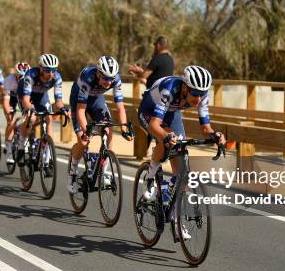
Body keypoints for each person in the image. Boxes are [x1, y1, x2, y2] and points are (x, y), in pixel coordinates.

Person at [137, 65, 225, 240]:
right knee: (166, 140)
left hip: (172, 113)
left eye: (202, 94)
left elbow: (205, 127)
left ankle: (177, 222)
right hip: (149, 112)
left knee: (182, 174)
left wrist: (216, 135)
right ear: (184, 87)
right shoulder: (170, 89)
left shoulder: (201, 96)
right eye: (195, 93)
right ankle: (151, 175)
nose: (198, 99)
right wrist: (166, 136)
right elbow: (155, 125)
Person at [66, 56, 133, 193]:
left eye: (111, 79)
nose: (109, 82)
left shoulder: (116, 79)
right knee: (84, 141)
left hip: (96, 100)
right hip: (78, 102)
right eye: (105, 79)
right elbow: (80, 110)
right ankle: (72, 173)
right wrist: (86, 131)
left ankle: (104, 171)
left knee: (108, 130)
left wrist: (124, 127)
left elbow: (120, 107)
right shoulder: (88, 78)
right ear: (98, 73)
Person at [15, 55, 69, 169]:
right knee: (32, 118)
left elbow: (58, 101)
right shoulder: (30, 75)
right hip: (25, 95)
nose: (51, 73)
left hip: (41, 95)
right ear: (40, 68)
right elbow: (25, 100)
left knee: (48, 118)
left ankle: (47, 159)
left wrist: (63, 109)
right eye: (47, 70)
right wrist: (31, 109)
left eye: (53, 70)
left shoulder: (57, 78)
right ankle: (21, 147)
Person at [2, 61, 30, 164]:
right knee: (11, 121)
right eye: (20, 76)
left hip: (24, 97)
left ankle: (22, 135)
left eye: (25, 76)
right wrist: (7, 111)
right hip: (12, 98)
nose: (23, 79)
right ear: (16, 74)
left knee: (30, 117)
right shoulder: (9, 80)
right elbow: (6, 100)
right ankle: (9, 149)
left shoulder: (31, 80)